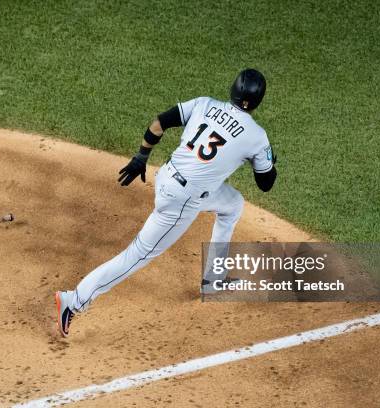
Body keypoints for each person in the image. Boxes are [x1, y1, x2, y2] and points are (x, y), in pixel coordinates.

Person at [55, 68, 277, 337]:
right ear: (258, 100)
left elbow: (160, 122)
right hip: (182, 201)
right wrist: (269, 161)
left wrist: (141, 156)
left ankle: (213, 280)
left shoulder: (205, 103)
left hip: (166, 176)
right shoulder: (257, 136)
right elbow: (266, 184)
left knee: (232, 204)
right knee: (138, 254)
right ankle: (74, 300)